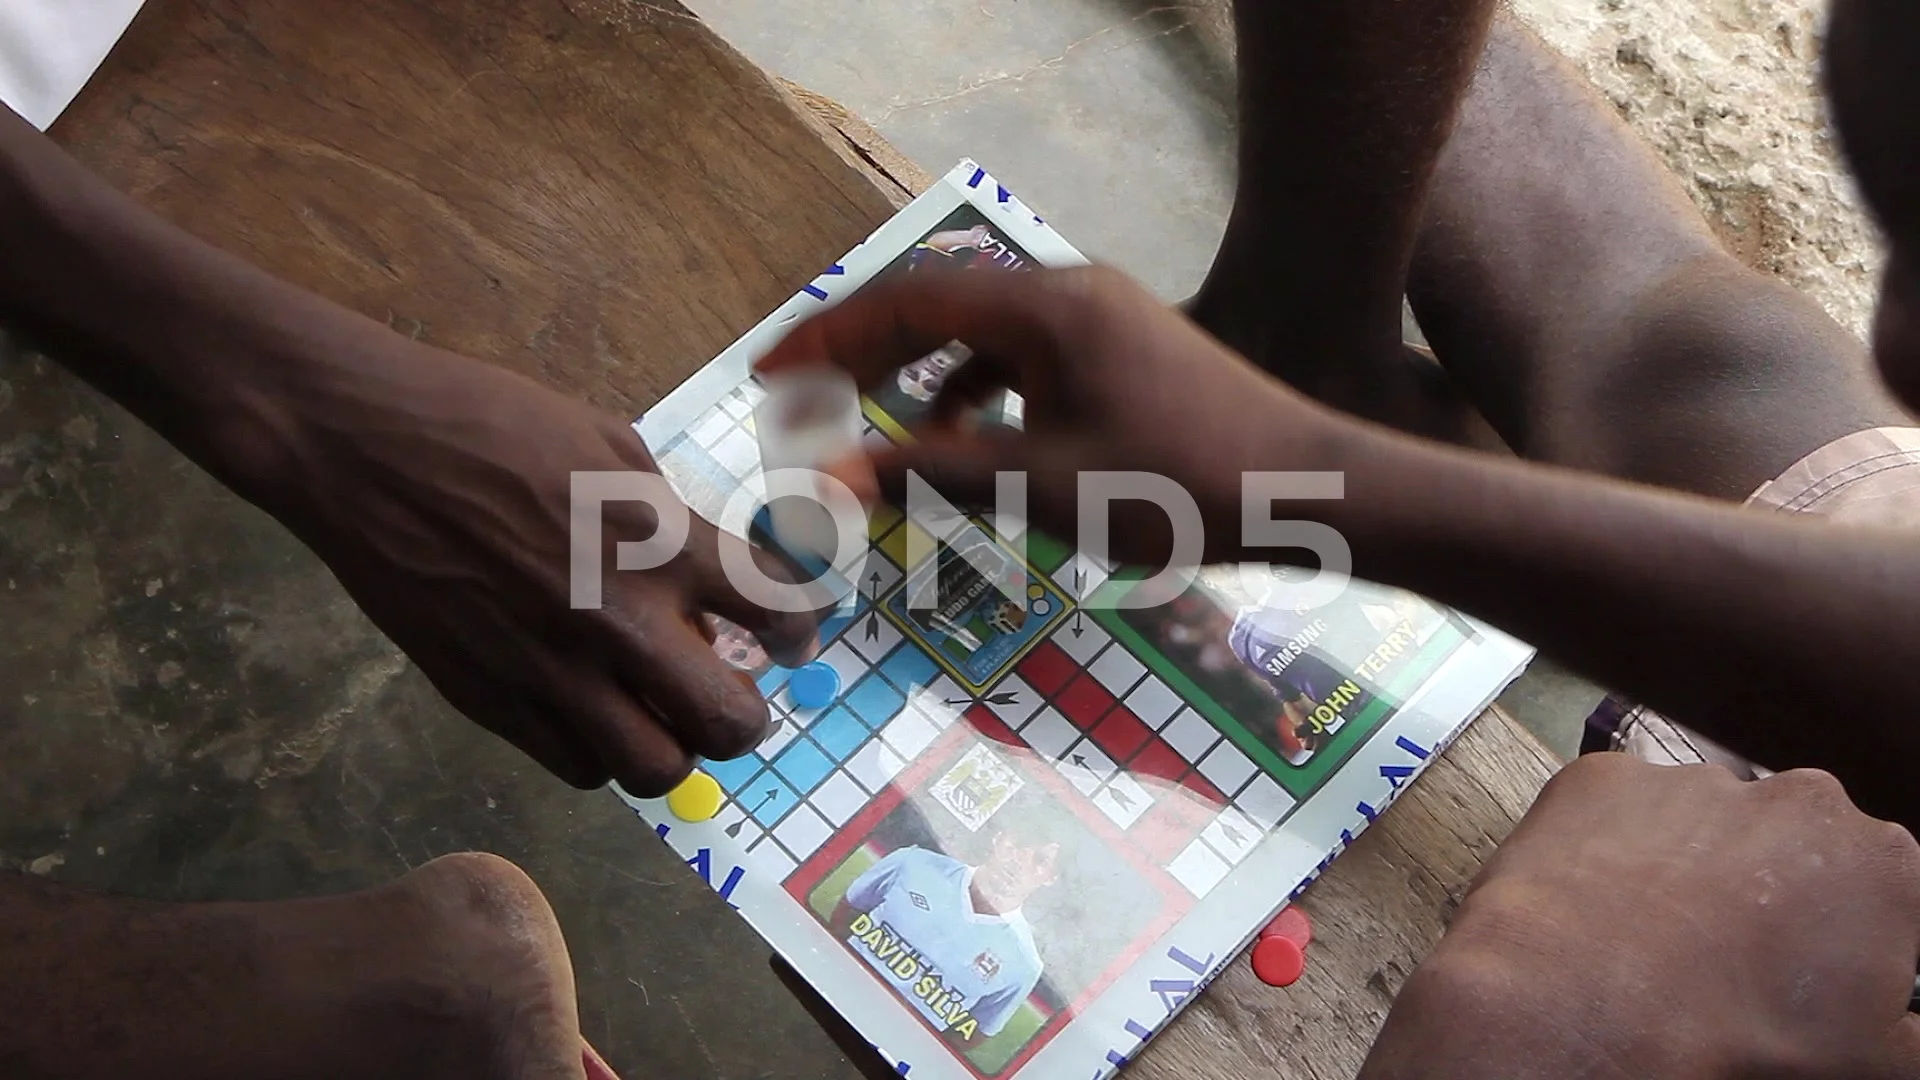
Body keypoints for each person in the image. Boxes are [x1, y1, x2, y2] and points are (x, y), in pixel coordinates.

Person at [833, 824, 1058, 1043]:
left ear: (1051, 878)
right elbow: (847, 911)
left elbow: (972, 1033)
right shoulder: (913, 862)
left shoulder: (1026, 965)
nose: (1020, 862)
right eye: (1017, 845)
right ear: (998, 839)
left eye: (1040, 861)